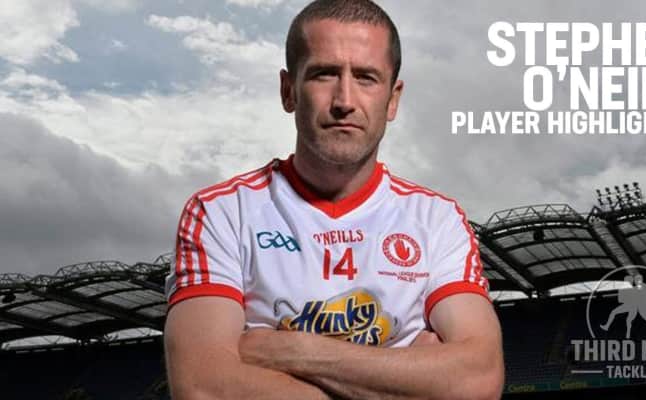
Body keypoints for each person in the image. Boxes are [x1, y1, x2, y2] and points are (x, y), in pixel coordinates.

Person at [163, 0, 504, 399]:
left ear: (393, 99)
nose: (344, 100)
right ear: (288, 91)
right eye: (324, 74)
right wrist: (410, 377)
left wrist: (294, 352)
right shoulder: (220, 212)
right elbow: (203, 386)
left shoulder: (437, 219)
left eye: (366, 78)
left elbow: (478, 382)